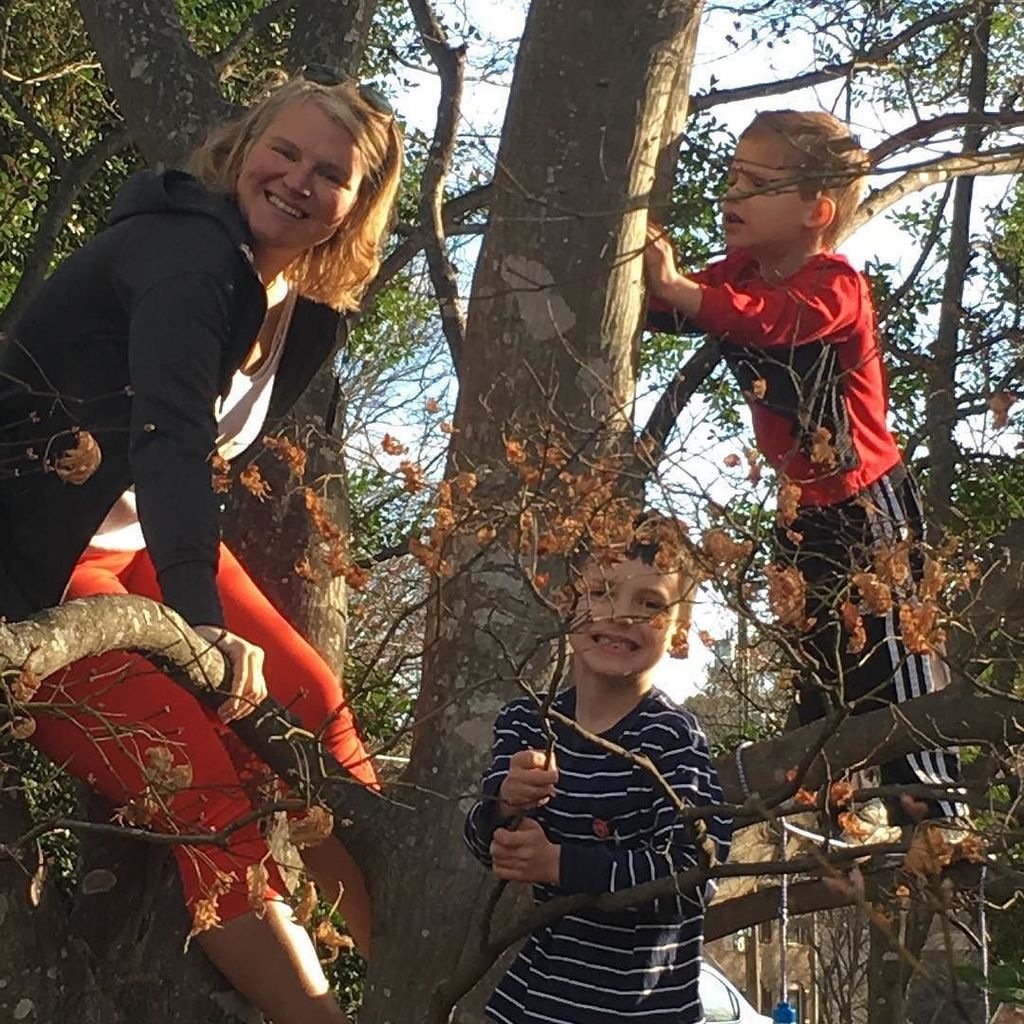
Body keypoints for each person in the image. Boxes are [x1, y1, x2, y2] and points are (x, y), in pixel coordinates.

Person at [0, 70, 402, 1024]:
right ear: (242, 149)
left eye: (330, 173)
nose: (298, 180)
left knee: (313, 708)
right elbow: (171, 440)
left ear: (356, 205)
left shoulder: (306, 304)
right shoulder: (190, 256)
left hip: (131, 539)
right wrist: (199, 623)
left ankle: (431, 974)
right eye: (284, 151)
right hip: (33, 569)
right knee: (201, 781)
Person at [644, 109, 963, 837]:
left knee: (893, 654)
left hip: (867, 504)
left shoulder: (835, 285)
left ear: (816, 212)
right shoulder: (738, 274)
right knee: (813, 644)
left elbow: (771, 321)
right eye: (732, 177)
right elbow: (681, 306)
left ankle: (935, 816)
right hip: (803, 508)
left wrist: (682, 290)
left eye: (755, 184)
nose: (731, 194)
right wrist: (648, 278)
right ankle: (829, 796)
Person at [464, 520, 732, 1024]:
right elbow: (483, 842)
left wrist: (559, 864)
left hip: (641, 1011)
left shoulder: (672, 738)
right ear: (568, 604)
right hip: (537, 1003)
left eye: (650, 604)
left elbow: (695, 875)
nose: (622, 615)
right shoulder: (528, 723)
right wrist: (504, 806)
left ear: (679, 632)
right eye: (601, 592)